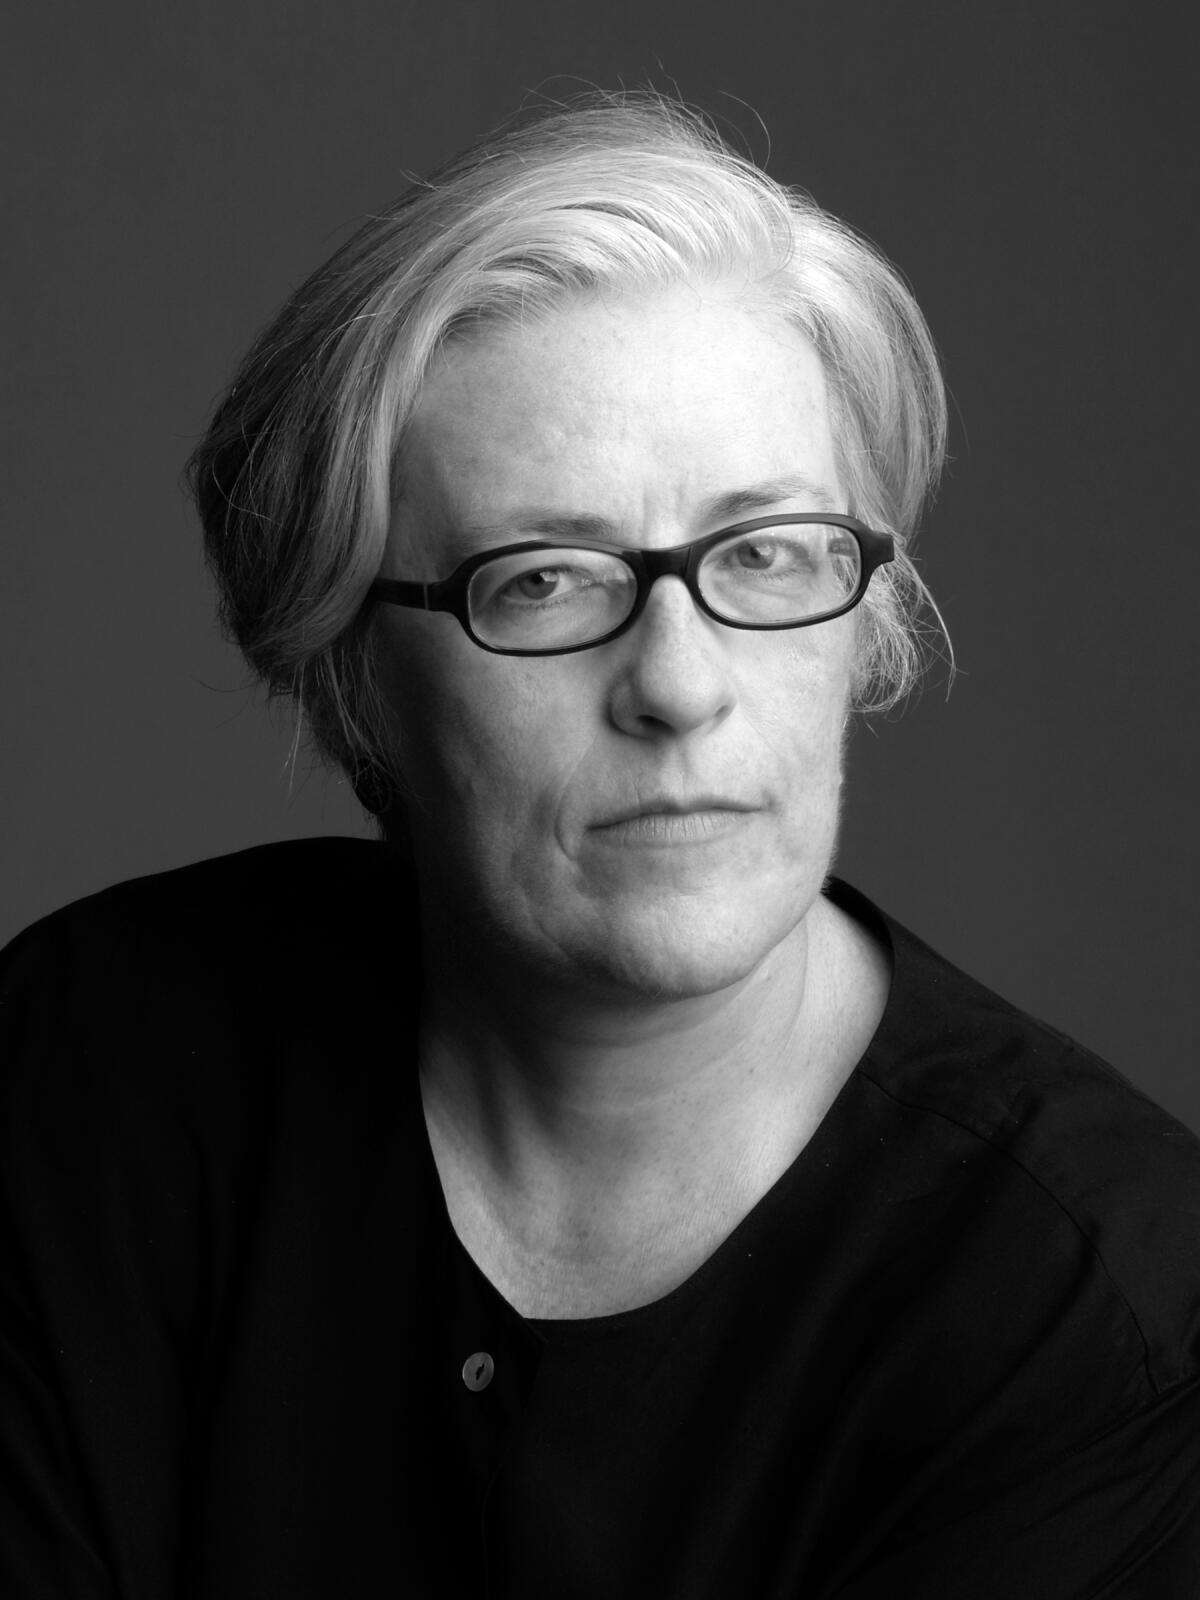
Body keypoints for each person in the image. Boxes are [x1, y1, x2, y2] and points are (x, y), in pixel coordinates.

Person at [2, 92, 1198, 1599]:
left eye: (766, 553)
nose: (679, 685)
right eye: (547, 579)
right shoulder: (99, 1065)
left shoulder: (1095, 1306)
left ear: (869, 617)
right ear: (354, 671)